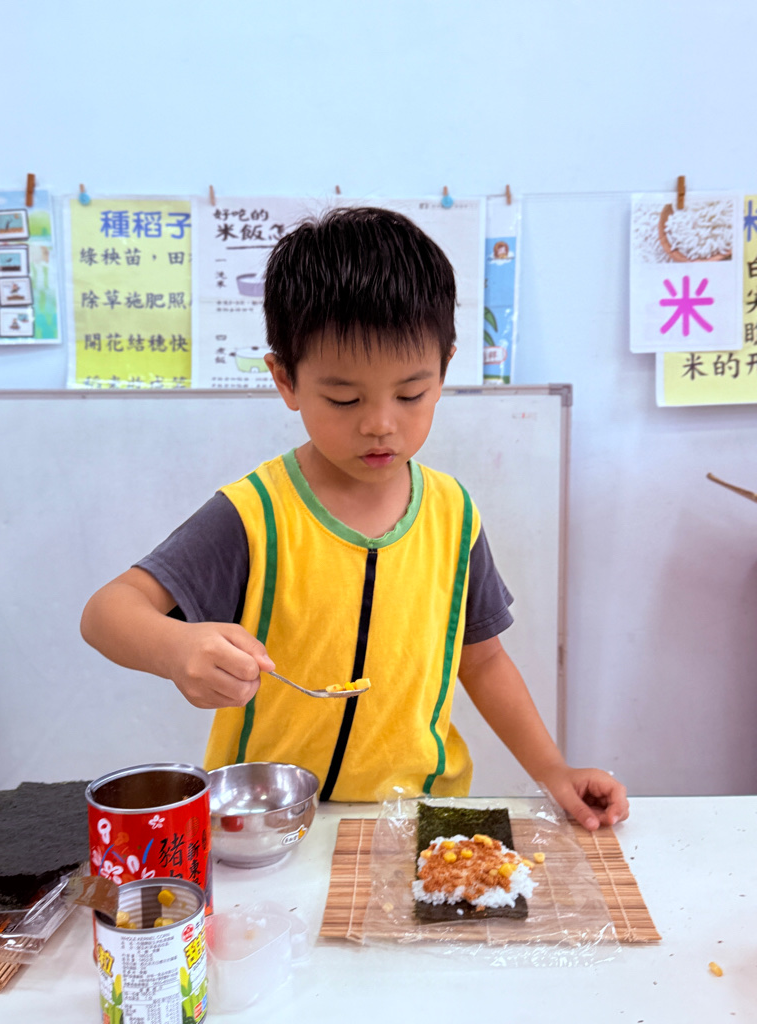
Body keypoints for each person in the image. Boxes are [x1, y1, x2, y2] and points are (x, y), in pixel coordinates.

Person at [81, 206, 628, 830]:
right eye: (344, 398)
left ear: (444, 370)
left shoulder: (453, 515)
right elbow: (106, 613)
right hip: (272, 827)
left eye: (411, 394)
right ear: (286, 380)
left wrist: (553, 771)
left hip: (417, 818)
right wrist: (175, 646)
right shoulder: (256, 514)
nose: (380, 424)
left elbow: (482, 661)